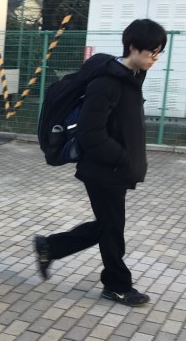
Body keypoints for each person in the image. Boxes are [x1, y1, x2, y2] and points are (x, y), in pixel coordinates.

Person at [34, 19, 167, 307]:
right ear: (133, 47)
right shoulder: (106, 83)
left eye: (159, 53)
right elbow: (89, 132)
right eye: (152, 52)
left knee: (108, 225)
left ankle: (50, 247)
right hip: (103, 169)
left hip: (114, 169)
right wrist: (121, 157)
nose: (156, 58)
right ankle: (117, 285)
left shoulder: (132, 76)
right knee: (112, 229)